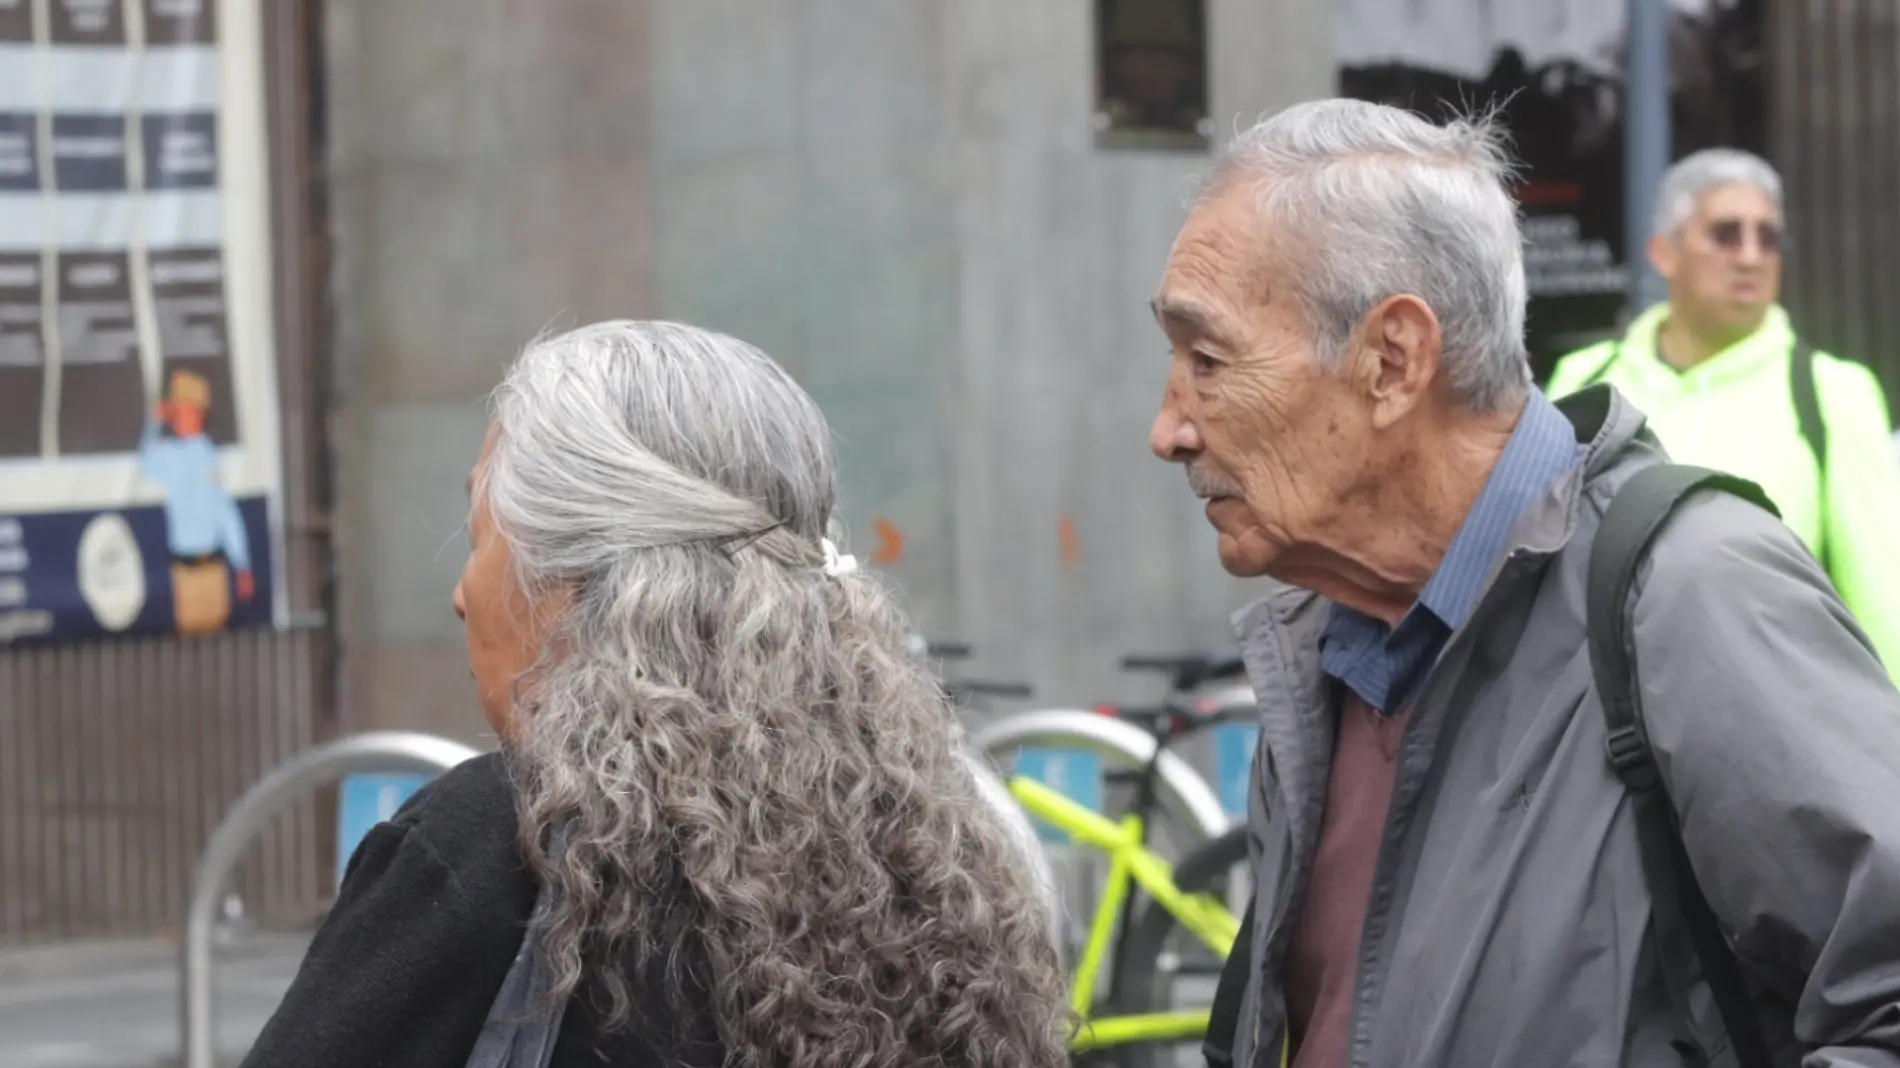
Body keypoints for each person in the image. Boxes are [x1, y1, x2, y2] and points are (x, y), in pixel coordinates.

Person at [1148, 99, 1900, 1067]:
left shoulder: (1688, 592)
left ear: (1391, 362)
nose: (1168, 428)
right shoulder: (1320, 655)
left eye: (1206, 360)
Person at [241, 321, 1070, 1068]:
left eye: (481, 534)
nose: (462, 593)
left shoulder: (496, 847)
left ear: (570, 578)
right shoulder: (940, 853)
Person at [1547, 148, 1900, 672]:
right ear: (1663, 252)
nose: (1751, 256)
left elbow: (1883, 593)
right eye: (1727, 233)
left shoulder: (1832, 392)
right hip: (1602, 730)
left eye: (1769, 237)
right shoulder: (1584, 380)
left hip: (1772, 727)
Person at [138, 368, 255, 634]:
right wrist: (154, 424)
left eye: (183, 410)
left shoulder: (208, 456)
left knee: (218, 636)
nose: (177, 416)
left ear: (198, 413)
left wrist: (242, 565)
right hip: (184, 570)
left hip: (212, 568)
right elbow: (146, 465)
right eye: (175, 410)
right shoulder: (170, 455)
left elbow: (226, 513)